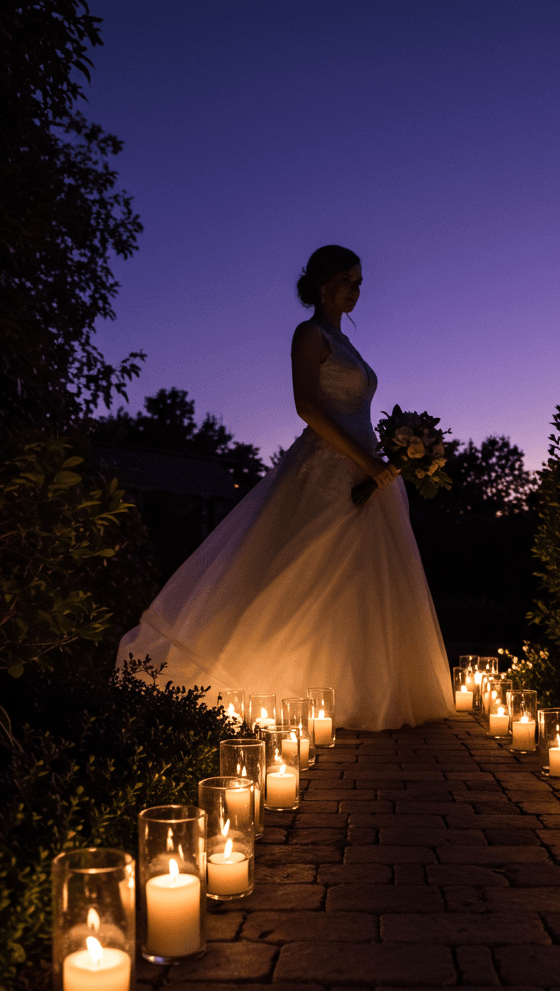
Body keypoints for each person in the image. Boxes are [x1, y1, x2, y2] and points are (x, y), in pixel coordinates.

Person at [115, 244, 452, 730]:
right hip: (330, 469)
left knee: (360, 580)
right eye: (349, 281)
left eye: (360, 283)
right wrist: (365, 461)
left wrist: (391, 453)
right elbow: (309, 407)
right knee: (305, 571)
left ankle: (359, 692)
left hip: (367, 469)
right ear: (324, 284)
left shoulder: (348, 343)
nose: (357, 291)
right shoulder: (309, 334)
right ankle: (286, 688)